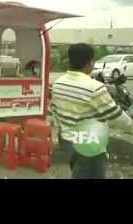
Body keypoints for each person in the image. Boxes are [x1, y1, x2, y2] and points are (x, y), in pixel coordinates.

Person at [51, 43, 133, 179]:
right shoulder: (95, 87)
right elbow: (117, 118)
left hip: (66, 141)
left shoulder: (58, 84)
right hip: (88, 146)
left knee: (78, 172)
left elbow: (55, 111)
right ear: (90, 62)